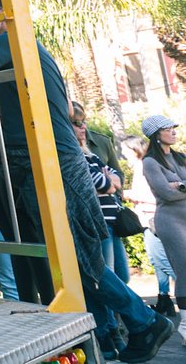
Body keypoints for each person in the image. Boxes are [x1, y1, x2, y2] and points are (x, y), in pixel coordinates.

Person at [0, 0, 173, 362]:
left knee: (74, 258)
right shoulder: (16, 56)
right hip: (39, 158)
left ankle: (144, 320)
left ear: (4, 16)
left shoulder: (14, 40)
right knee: (72, 257)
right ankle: (107, 337)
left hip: (51, 158)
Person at [75, 102, 131, 286]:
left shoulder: (95, 150)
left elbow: (116, 179)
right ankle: (111, 315)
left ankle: (121, 314)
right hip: (99, 220)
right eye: (76, 123)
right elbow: (102, 183)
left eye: (83, 122)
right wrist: (108, 183)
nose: (83, 127)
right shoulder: (76, 156)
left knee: (123, 276)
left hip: (114, 218)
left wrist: (109, 183)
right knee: (108, 276)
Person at [141, 115, 186, 319]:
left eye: (173, 127)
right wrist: (176, 186)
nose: (173, 131)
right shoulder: (150, 162)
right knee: (184, 268)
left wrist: (178, 185)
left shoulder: (180, 157)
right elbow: (165, 193)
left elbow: (172, 189)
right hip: (170, 221)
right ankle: (185, 325)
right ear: (156, 135)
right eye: (168, 128)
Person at [126, 134, 177, 314]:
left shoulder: (144, 166)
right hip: (157, 218)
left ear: (133, 150)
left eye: (125, 151)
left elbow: (152, 194)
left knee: (162, 260)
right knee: (159, 262)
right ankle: (164, 299)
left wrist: (128, 194)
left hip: (152, 219)